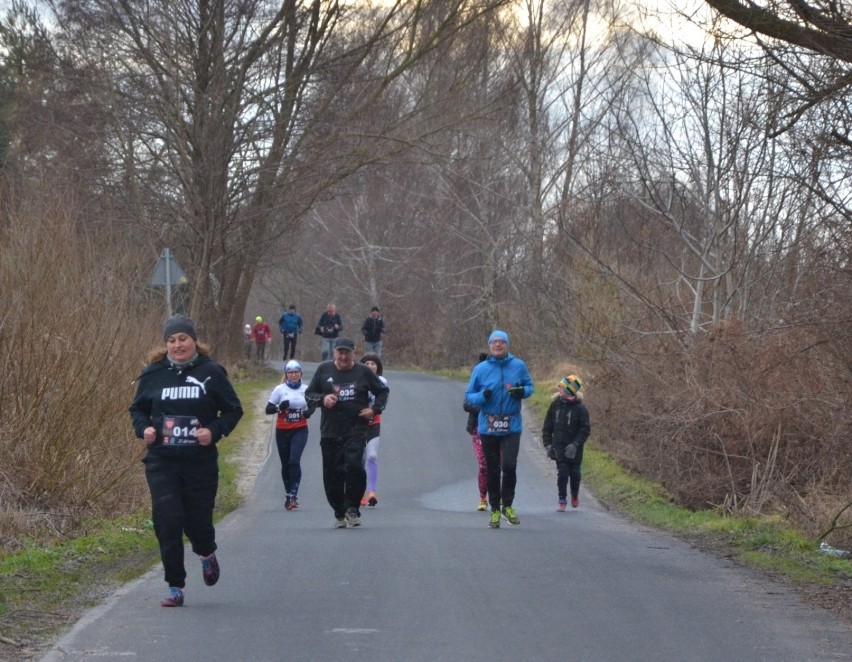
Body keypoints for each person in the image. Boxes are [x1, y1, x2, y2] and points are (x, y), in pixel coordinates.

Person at [129, 315, 244, 608]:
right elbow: (137, 410)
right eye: (172, 340)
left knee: (197, 523)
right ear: (165, 344)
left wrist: (214, 431)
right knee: (168, 521)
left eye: (183, 339)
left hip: (199, 462)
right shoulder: (153, 374)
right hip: (162, 460)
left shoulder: (211, 372)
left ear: (194, 341)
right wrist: (145, 430)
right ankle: (175, 586)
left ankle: (206, 552)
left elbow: (233, 410)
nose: (177, 345)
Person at [305, 337, 389, 528]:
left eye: (347, 353)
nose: (343, 357)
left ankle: (352, 508)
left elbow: (383, 392)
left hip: (355, 430)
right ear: (334, 353)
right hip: (330, 431)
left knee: (354, 468)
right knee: (332, 474)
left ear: (354, 353)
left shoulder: (364, 372)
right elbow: (309, 394)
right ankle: (339, 512)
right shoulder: (323, 370)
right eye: (340, 352)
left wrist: (373, 410)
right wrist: (323, 399)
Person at [465, 330, 534, 529]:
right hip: (488, 425)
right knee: (493, 470)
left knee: (510, 466)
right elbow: (470, 395)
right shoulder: (481, 369)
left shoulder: (518, 366)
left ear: (507, 345)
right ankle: (495, 508)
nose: (497, 345)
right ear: (489, 346)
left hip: (511, 424)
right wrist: (483, 397)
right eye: (494, 342)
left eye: (501, 342)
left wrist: (522, 391)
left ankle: (508, 505)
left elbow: (530, 387)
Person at [265, 360, 313, 510]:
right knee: (285, 463)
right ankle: (288, 493)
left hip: (300, 429)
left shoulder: (306, 389)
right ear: (286, 374)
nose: (293, 375)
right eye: (290, 373)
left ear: (301, 374)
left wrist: (308, 412)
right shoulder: (280, 389)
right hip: (282, 430)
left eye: (296, 372)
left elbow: (313, 405)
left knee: (294, 461)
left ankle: (294, 495)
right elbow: (268, 409)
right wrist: (280, 407)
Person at [542, 375, 591, 510]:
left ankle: (574, 494)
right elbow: (547, 427)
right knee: (562, 474)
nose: (559, 389)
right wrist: (548, 444)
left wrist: (575, 444)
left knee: (575, 474)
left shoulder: (581, 409)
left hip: (575, 448)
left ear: (570, 391)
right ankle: (562, 499)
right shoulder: (555, 405)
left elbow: (585, 429)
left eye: (562, 387)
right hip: (559, 447)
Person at [359, 353, 388, 507]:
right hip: (357, 425)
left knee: (372, 456)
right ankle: (360, 493)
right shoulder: (355, 380)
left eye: (373, 363)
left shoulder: (381, 381)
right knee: (359, 460)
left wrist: (374, 409)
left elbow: (382, 401)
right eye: (367, 363)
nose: (370, 366)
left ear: (378, 367)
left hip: (373, 424)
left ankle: (372, 492)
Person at [463, 352, 489, 511]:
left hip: (498, 428)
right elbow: (466, 405)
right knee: (483, 464)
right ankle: (482, 498)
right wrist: (481, 408)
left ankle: (497, 496)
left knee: (497, 464)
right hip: (478, 428)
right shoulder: (475, 383)